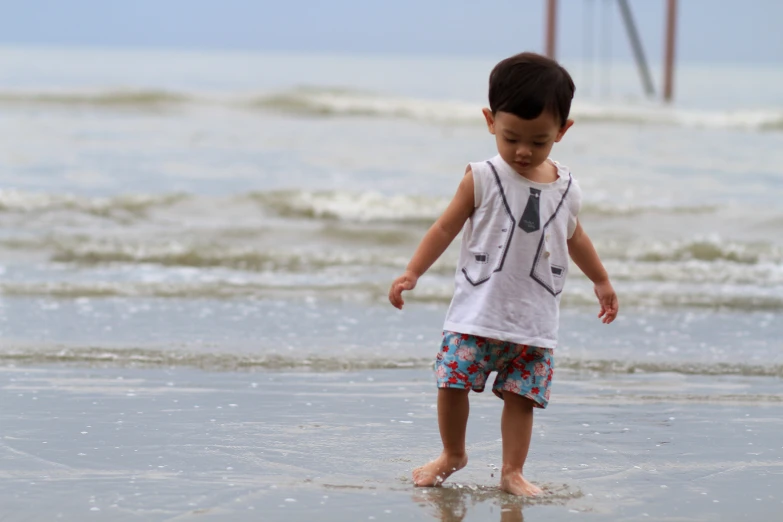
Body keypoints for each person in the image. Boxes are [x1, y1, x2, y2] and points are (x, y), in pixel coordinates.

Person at [388, 52, 619, 496]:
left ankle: (512, 471)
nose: (523, 151)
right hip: (476, 314)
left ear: (563, 132)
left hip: (533, 321)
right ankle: (453, 453)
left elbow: (576, 238)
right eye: (512, 137)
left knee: (521, 398)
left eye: (540, 140)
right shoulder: (481, 177)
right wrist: (412, 271)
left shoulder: (567, 188)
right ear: (490, 121)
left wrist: (602, 280)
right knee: (451, 382)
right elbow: (445, 227)